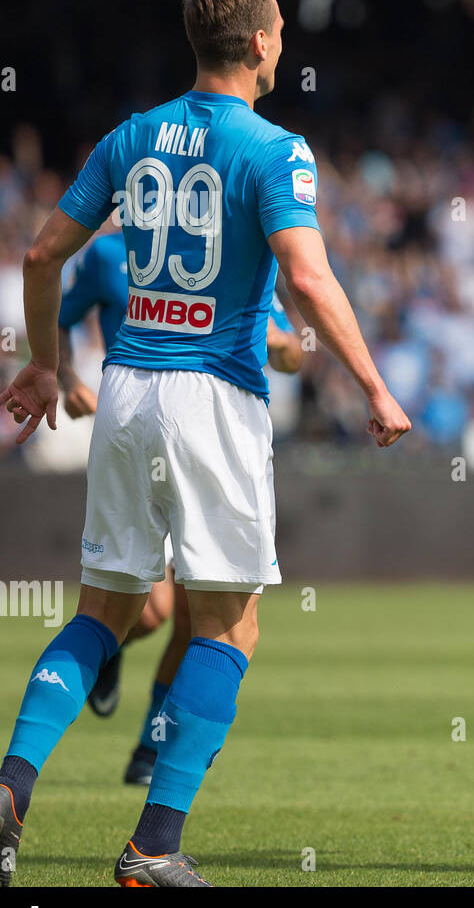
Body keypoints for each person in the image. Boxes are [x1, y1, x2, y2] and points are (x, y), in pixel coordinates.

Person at [0, 0, 409, 889]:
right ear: (257, 44)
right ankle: (153, 847)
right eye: (281, 26)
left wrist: (46, 364)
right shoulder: (275, 148)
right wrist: (373, 384)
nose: (285, 39)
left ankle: (7, 791)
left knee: (100, 612)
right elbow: (309, 278)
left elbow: (46, 252)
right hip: (213, 401)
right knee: (229, 628)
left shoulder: (131, 137)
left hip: (124, 394)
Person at [56, 226, 303, 784]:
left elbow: (286, 348)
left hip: (205, 437)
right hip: (139, 434)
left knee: (194, 616)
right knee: (150, 611)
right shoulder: (108, 252)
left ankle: (149, 748)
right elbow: (58, 310)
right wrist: (64, 374)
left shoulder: (227, 252)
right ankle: (110, 645)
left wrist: (291, 347)